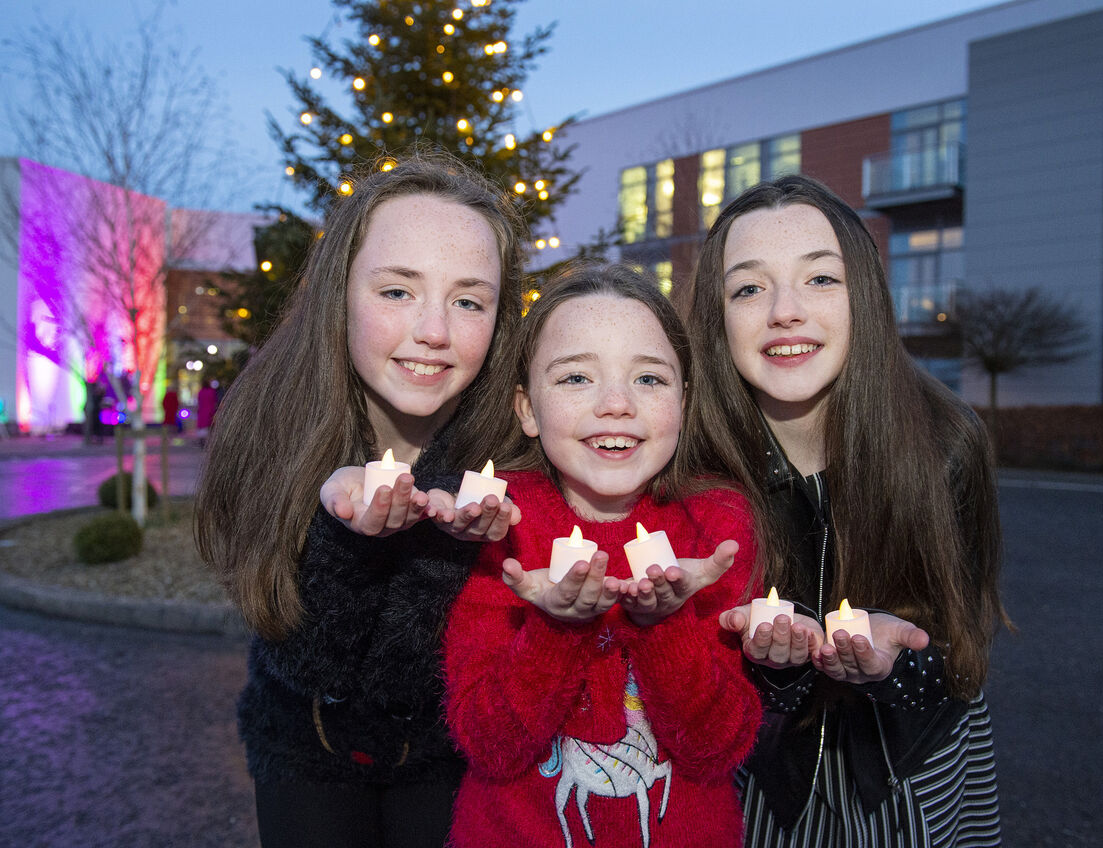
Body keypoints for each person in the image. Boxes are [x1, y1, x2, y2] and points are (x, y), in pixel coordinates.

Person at [193, 150, 526, 848]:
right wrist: (346, 538)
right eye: (398, 291)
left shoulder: (512, 451)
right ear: (340, 290)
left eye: (468, 300)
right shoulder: (271, 420)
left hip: (448, 763)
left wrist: (448, 544)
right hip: (303, 752)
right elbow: (307, 661)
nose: (433, 330)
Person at [687, 175, 1008, 847]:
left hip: (909, 766)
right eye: (749, 287)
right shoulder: (694, 465)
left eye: (820, 279)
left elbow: (964, 651)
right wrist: (770, 673)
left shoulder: (944, 444)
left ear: (864, 292)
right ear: (717, 319)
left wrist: (901, 666)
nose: (784, 311)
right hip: (763, 780)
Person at [441, 263, 764, 848]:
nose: (616, 403)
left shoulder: (716, 527)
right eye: (575, 379)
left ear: (684, 401)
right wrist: (554, 629)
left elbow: (717, 746)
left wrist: (664, 624)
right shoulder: (498, 527)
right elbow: (489, 744)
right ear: (527, 409)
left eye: (648, 379)